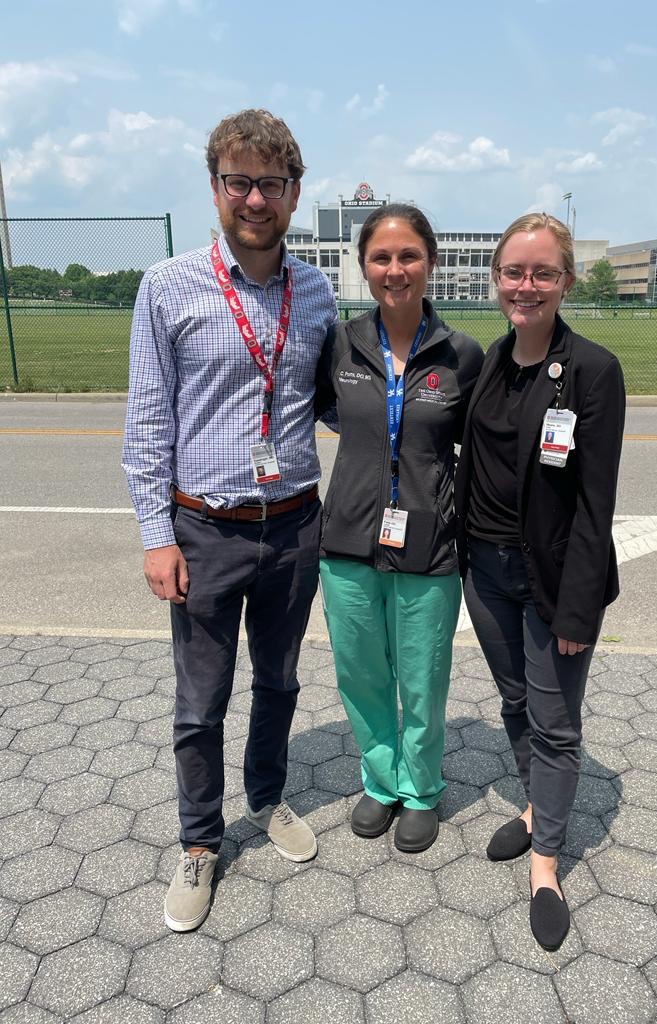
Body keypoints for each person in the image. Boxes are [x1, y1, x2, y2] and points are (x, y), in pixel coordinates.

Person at [122, 109, 337, 932]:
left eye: (271, 184)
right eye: (239, 181)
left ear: (293, 193)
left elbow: (330, 400)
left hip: (292, 526)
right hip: (204, 530)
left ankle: (271, 796)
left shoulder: (314, 290)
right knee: (199, 702)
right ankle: (201, 842)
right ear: (216, 187)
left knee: (280, 682)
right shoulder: (168, 286)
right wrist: (155, 534)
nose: (255, 198)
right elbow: (147, 423)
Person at [454, 213, 625, 949]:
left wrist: (579, 610)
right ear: (497, 279)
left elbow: (596, 502)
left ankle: (547, 860)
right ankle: (534, 808)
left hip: (552, 581)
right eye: (514, 272)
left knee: (555, 726)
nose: (526, 286)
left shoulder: (591, 370)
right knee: (516, 698)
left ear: (566, 281)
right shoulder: (489, 360)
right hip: (484, 574)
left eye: (542, 273)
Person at [316, 204, 484, 853]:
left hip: (430, 546)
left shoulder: (460, 355)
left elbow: (480, 448)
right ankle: (380, 780)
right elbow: (323, 412)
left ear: (430, 262)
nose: (395, 269)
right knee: (360, 672)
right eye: (382, 257)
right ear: (364, 266)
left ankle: (420, 789)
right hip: (348, 543)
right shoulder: (339, 344)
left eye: (408, 255)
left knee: (422, 677)